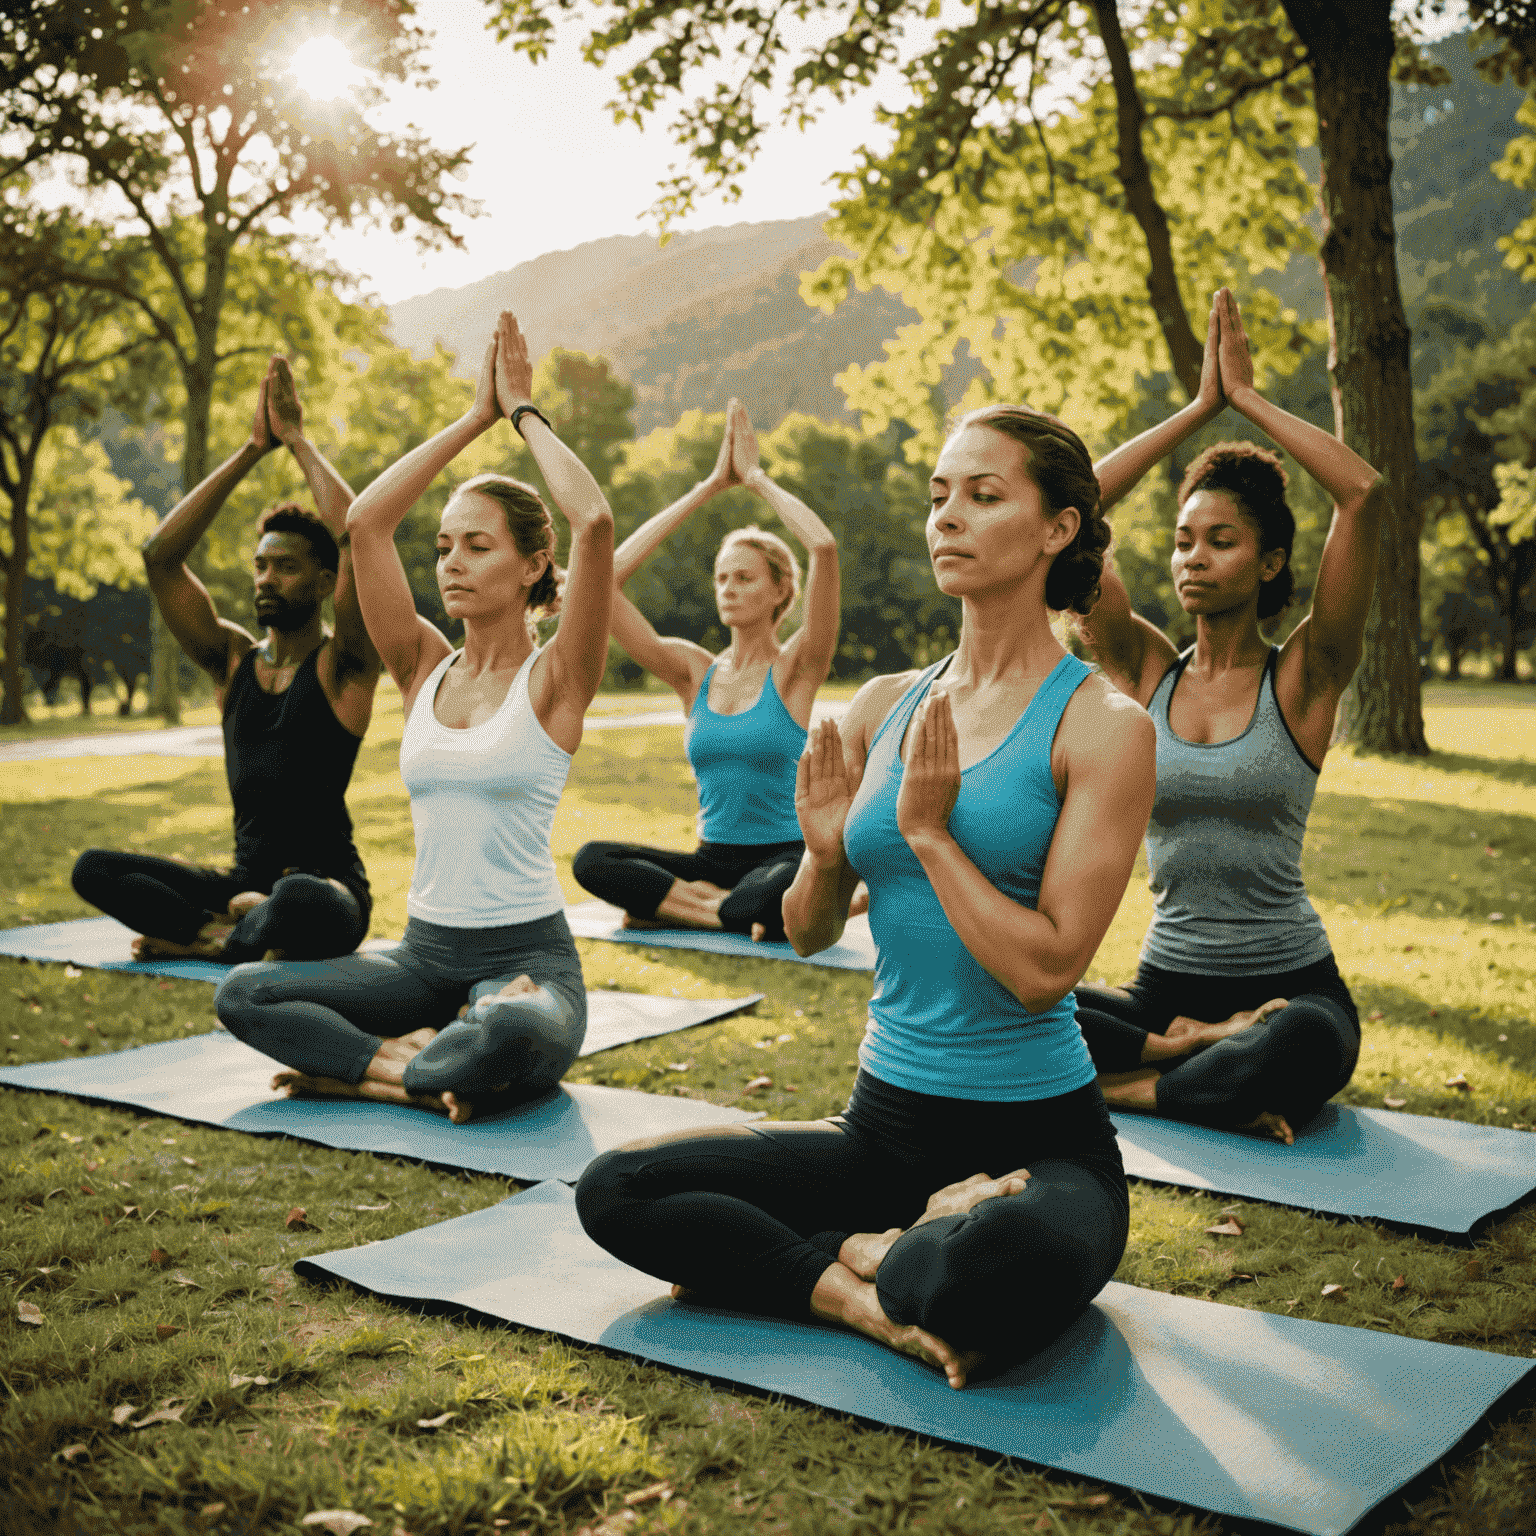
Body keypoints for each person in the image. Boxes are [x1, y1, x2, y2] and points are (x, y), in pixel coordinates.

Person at [576, 403, 1157, 1388]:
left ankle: (895, 1251)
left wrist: (928, 836)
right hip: (884, 1131)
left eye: (983, 495)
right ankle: (858, 1283)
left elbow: (1047, 969)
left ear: (1058, 527)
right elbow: (805, 932)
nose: (948, 518)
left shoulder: (1104, 724)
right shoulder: (885, 704)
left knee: (973, 1274)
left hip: (1041, 1146)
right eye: (939, 497)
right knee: (616, 1189)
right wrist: (820, 852)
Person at [215, 312, 613, 1124]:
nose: (453, 564)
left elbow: (595, 523)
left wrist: (522, 413)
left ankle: (370, 1066)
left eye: (478, 546)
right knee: (245, 992)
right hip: (420, 959)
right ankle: (397, 1072)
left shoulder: (556, 679)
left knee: (509, 1032)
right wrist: (473, 418)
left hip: (526, 961)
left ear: (533, 565)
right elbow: (364, 523)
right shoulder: (421, 664)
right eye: (443, 547)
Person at [1071, 288, 1385, 1146]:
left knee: (1304, 1041)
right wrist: (1196, 411)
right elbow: (1074, 511)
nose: (1192, 559)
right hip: (1164, 999)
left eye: (1220, 540)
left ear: (1271, 559)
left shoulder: (1306, 678)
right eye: (1182, 539)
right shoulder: (1141, 670)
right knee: (1022, 1002)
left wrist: (1248, 403)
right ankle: (1197, 1062)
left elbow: (1362, 495)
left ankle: (1130, 1091)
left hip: (1293, 986)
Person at [71, 357, 382, 965]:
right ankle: (231, 933)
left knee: (298, 898)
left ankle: (220, 931)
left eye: (286, 568)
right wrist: (250, 449)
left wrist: (297, 442)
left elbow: (360, 537)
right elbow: (161, 555)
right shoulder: (232, 660)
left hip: (326, 887)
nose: (265, 580)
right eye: (260, 566)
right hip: (239, 878)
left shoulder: (343, 665)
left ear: (324, 582)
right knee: (94, 869)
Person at [570, 399, 839, 942]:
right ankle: (728, 913)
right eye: (721, 579)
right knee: (592, 860)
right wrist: (707, 487)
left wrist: (757, 478)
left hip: (782, 857)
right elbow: (606, 578)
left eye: (743, 578)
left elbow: (823, 547)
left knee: (779, 886)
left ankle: (677, 909)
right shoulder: (693, 672)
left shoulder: (795, 670)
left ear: (780, 591)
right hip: (710, 859)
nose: (728, 589)